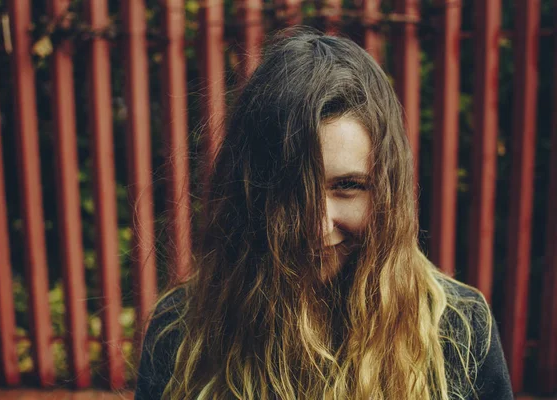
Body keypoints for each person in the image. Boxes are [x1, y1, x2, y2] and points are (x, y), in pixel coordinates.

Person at [135, 28, 513, 400]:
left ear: (388, 191)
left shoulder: (460, 329)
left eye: (348, 186)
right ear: (247, 194)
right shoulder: (182, 331)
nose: (317, 227)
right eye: (291, 190)